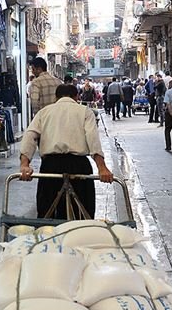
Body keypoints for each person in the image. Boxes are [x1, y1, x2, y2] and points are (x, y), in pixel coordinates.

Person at [19, 84, 114, 219]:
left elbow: (30, 136)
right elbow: (92, 139)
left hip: (50, 165)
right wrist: (102, 168)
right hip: (79, 165)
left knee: (47, 212)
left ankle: (48, 236)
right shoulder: (85, 111)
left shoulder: (44, 112)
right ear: (76, 97)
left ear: (56, 98)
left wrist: (24, 165)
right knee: (81, 214)